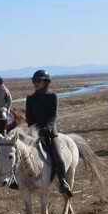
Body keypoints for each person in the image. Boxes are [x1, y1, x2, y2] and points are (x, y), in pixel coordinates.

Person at [25, 69, 72, 197]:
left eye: (38, 81)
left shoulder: (52, 96)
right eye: (34, 81)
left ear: (45, 82)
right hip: (34, 132)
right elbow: (29, 117)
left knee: (59, 158)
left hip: (50, 132)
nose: (35, 83)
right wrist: (33, 128)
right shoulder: (30, 98)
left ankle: (63, 182)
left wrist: (47, 128)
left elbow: (53, 116)